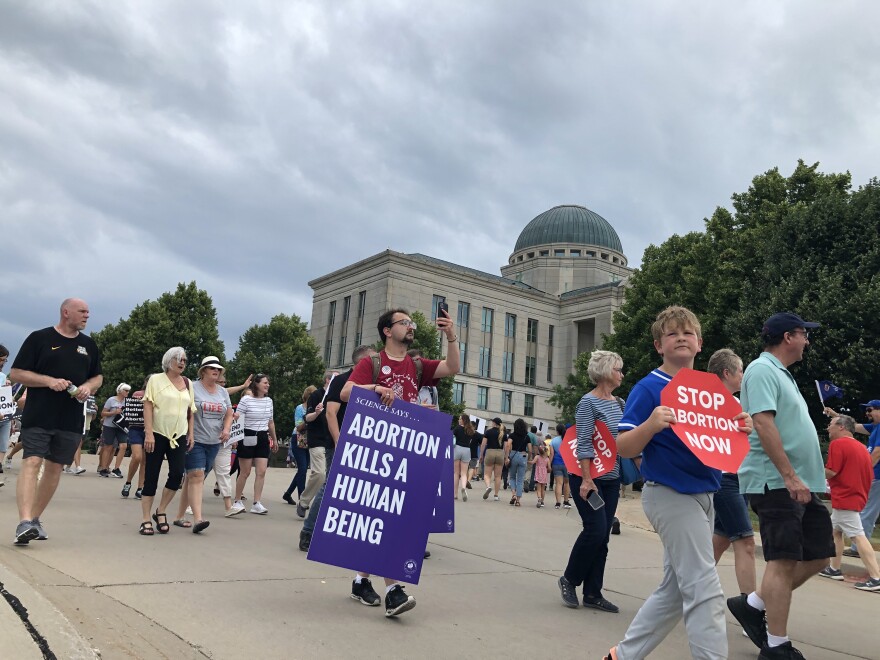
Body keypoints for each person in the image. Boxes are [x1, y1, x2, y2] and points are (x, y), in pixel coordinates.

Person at [604, 306, 751, 660]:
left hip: (706, 495)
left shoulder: (712, 391)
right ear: (659, 345)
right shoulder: (649, 386)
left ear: (699, 344)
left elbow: (722, 446)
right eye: (672, 334)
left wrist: (739, 426)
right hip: (669, 494)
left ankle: (622, 655)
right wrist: (652, 424)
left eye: (688, 333)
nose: (681, 337)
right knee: (705, 589)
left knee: (674, 591)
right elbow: (621, 446)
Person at [340, 307, 459, 617]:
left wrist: (451, 336)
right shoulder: (373, 362)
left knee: (387, 520)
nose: (411, 326)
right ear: (387, 331)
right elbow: (345, 392)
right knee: (387, 519)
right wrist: (376, 388)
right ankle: (393, 589)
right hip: (377, 452)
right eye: (404, 322)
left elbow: (452, 368)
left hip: (407, 452)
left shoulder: (417, 365)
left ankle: (359, 580)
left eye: (412, 323)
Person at [729, 312, 834, 660]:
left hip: (796, 484)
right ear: (789, 336)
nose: (808, 341)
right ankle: (776, 646)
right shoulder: (761, 370)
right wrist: (789, 476)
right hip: (774, 482)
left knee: (818, 555)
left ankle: (754, 603)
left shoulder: (782, 375)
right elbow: (762, 422)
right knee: (783, 559)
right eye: (805, 334)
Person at [10, 298, 103, 544]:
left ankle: (35, 520)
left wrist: (87, 387)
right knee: (32, 461)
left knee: (54, 468)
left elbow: (98, 377)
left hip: (71, 418)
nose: (87, 315)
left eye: (88, 312)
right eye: (82, 311)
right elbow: (17, 373)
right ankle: (24, 521)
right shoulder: (39, 338)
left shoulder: (88, 345)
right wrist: (48, 381)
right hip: (39, 414)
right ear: (66, 312)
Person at [558, 350, 624, 614]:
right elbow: (583, 442)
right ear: (606, 371)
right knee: (594, 531)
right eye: (619, 369)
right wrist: (587, 480)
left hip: (612, 479)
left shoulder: (619, 403)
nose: (622, 374)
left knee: (603, 537)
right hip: (589, 481)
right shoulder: (588, 403)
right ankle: (569, 579)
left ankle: (593, 593)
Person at [300, 346, 376, 551]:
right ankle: (308, 531)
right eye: (372, 359)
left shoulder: (373, 384)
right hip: (340, 444)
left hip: (365, 447)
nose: (377, 362)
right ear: (361, 362)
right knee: (330, 487)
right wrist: (339, 441)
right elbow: (330, 413)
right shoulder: (342, 381)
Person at [707, 348, 757, 597]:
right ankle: (752, 609)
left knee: (720, 541)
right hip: (725, 479)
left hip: (739, 477)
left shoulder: (736, 404)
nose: (744, 375)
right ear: (727, 373)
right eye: (741, 370)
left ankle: (682, 592)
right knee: (746, 543)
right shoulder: (704, 403)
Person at [817, 413, 880, 590]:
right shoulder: (861, 447)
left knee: (858, 536)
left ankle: (876, 577)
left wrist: (810, 472)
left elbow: (831, 472)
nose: (828, 428)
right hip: (855, 494)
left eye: (831, 424)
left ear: (841, 427)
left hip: (845, 497)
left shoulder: (838, 444)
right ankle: (834, 568)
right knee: (835, 531)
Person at [172, 356, 234, 533]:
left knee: (192, 479)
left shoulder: (222, 392)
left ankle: (178, 516)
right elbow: (183, 407)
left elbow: (229, 412)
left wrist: (227, 429)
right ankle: (198, 519)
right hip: (194, 439)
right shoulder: (192, 386)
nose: (216, 371)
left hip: (214, 442)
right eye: (212, 368)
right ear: (203, 371)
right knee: (197, 475)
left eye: (218, 369)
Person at [139, 347, 195, 536]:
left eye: (184, 360)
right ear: (168, 360)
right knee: (151, 476)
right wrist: (148, 433)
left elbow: (190, 411)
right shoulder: (156, 380)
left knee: (177, 474)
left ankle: (161, 510)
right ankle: (146, 518)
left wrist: (191, 434)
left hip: (178, 435)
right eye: (178, 359)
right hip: (157, 433)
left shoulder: (188, 383)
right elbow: (148, 405)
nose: (181, 363)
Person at [824, 400, 880, 559]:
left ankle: (858, 549)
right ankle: (834, 566)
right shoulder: (875, 427)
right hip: (873, 476)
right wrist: (835, 415)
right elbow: (852, 427)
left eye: (870, 410)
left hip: (876, 476)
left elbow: (877, 453)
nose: (867, 413)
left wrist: (861, 472)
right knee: (838, 526)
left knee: (867, 513)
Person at [230, 373, 277, 515]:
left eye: (268, 383)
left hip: (262, 436)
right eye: (265, 382)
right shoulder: (246, 400)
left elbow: (270, 422)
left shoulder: (269, 401)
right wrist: (235, 439)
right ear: (256, 384)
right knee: (245, 472)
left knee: (261, 471)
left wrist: (274, 439)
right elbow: (237, 419)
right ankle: (237, 500)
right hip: (247, 435)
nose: (267, 385)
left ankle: (257, 502)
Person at [296, 372, 335, 518]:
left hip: (332, 439)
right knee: (319, 473)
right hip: (317, 439)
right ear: (327, 380)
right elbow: (307, 418)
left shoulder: (337, 397)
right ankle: (304, 501)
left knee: (329, 476)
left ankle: (322, 507)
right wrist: (317, 413)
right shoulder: (316, 395)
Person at [283, 386, 314, 506]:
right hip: (298, 438)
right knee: (302, 469)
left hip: (310, 440)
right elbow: (299, 426)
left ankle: (288, 493)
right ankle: (302, 498)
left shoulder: (315, 408)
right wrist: (309, 419)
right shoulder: (300, 408)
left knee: (303, 469)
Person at [121, 379, 148, 499]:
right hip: (136, 428)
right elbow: (132, 410)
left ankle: (140, 487)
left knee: (145, 461)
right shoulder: (138, 394)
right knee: (137, 456)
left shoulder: (159, 396)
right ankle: (128, 482)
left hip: (150, 430)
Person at [98, 383, 130, 477]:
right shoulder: (111, 400)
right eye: (126, 390)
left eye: (128, 391)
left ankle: (116, 468)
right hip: (109, 426)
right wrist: (113, 412)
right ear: (120, 391)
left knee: (123, 446)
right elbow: (103, 413)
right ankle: (103, 468)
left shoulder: (127, 401)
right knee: (108, 446)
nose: (127, 392)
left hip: (122, 426)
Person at [504, 418, 531, 506]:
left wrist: (507, 457)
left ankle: (513, 494)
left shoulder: (512, 435)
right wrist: (529, 457)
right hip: (523, 456)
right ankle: (518, 500)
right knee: (520, 479)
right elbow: (530, 449)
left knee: (512, 477)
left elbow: (508, 445)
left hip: (514, 455)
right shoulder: (527, 436)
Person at [481, 418, 506, 501]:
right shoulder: (503, 433)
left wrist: (481, 455)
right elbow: (506, 447)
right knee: (498, 476)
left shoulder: (488, 432)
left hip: (490, 452)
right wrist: (506, 456)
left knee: (487, 474)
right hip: (500, 453)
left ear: (494, 423)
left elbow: (483, 444)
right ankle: (496, 495)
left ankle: (488, 487)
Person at [453, 414, 476, 501]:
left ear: (463, 420)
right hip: (467, 450)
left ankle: (455, 494)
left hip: (457, 448)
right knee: (463, 473)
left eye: (460, 419)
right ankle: (463, 488)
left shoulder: (457, 428)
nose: (459, 420)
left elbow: (451, 435)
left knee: (456, 473)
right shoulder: (470, 430)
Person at [549, 424, 571, 509]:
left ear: (557, 431)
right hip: (567, 464)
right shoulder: (568, 439)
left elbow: (551, 454)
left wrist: (549, 465)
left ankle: (558, 503)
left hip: (556, 463)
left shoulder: (553, 441)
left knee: (558, 483)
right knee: (567, 483)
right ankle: (566, 501)